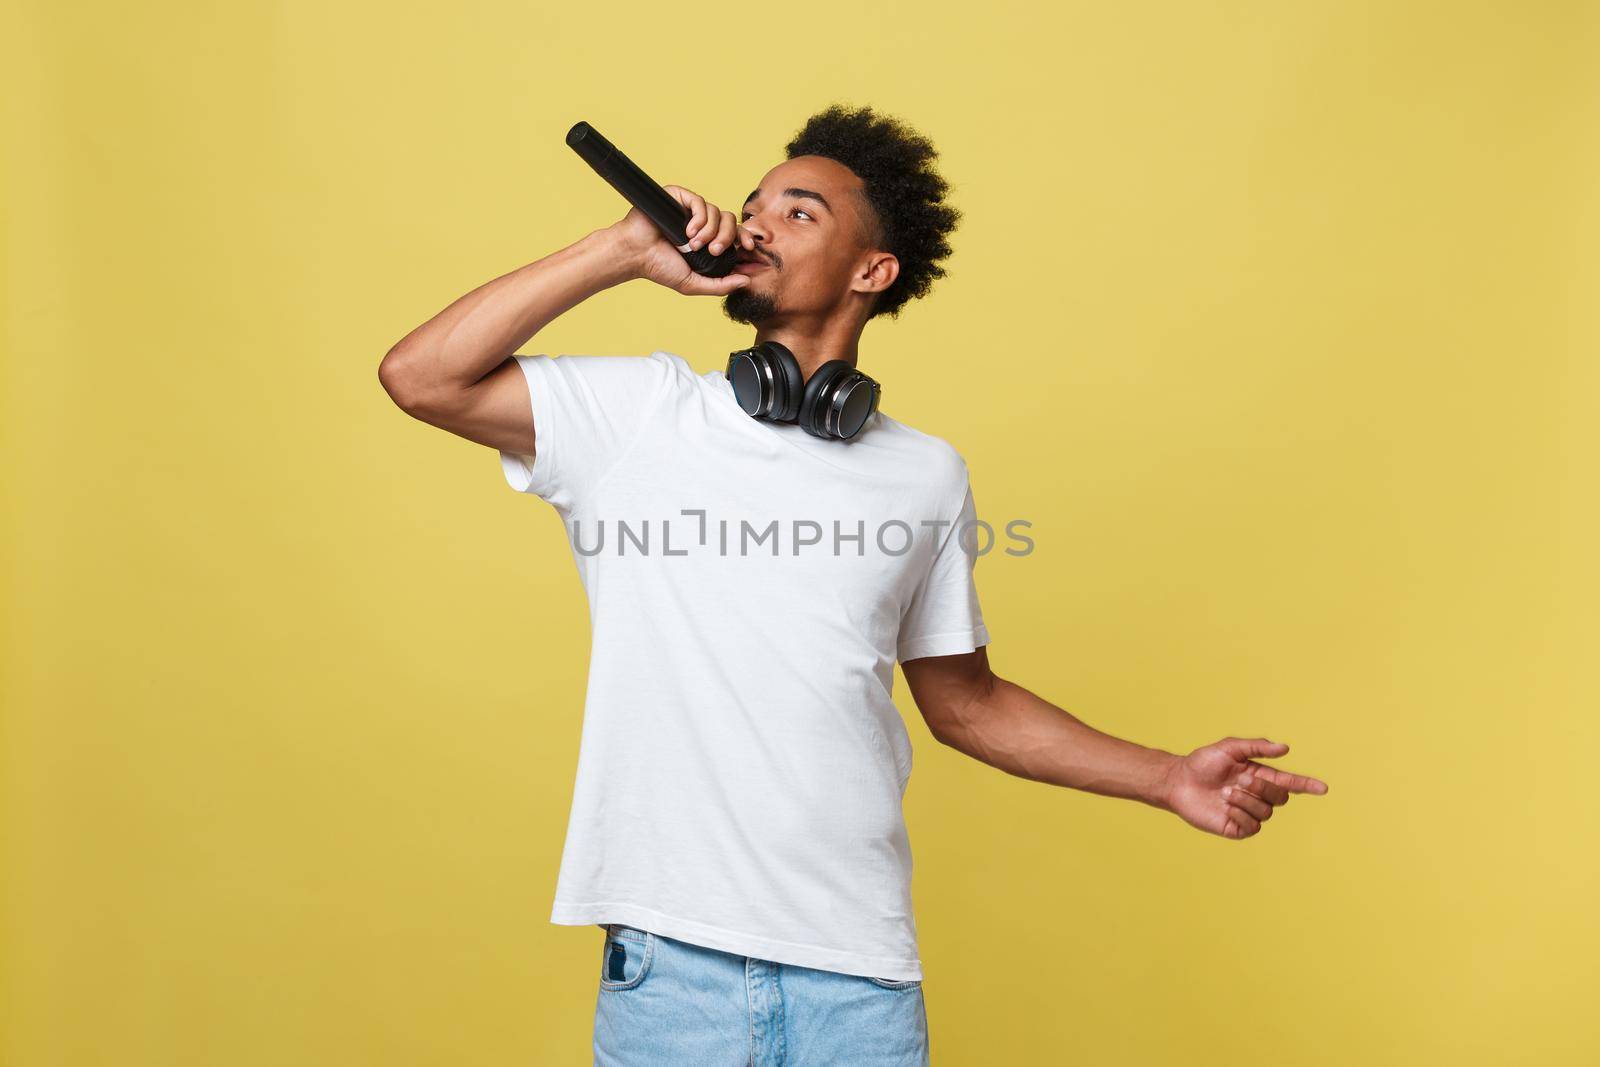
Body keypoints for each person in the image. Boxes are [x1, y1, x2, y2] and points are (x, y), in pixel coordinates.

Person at [378, 103, 1330, 1066]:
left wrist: (1167, 777)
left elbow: (969, 704)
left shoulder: (925, 474)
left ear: (874, 272)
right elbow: (423, 376)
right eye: (752, 205)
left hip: (860, 979)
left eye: (798, 213)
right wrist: (622, 249)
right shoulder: (640, 418)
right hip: (674, 974)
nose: (754, 223)